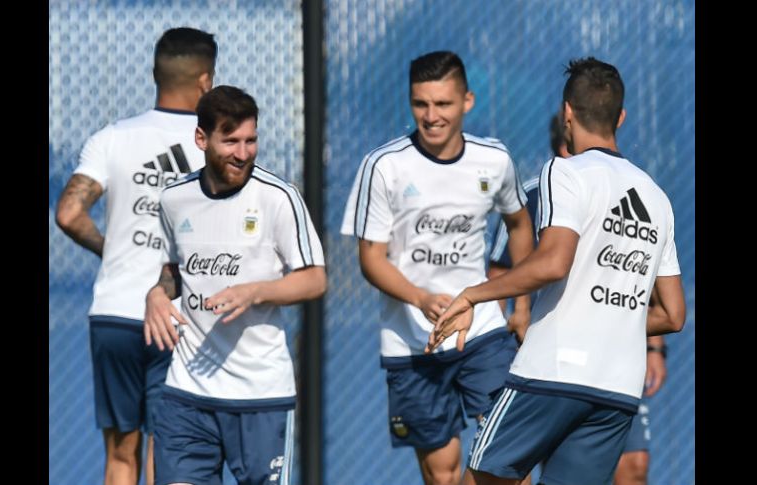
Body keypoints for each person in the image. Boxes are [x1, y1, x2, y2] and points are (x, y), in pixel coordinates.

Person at [427, 57, 686, 485]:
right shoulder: (656, 198)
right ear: (620, 117)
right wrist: (608, 323)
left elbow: (553, 261)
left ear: (567, 113)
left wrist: (472, 294)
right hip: (618, 385)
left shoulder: (565, 171)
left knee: (482, 479)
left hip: (552, 372)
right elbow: (674, 314)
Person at [340, 51, 534, 485]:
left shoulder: (494, 160)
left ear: (467, 101)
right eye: (420, 104)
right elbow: (370, 258)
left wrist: (520, 306)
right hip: (413, 343)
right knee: (442, 474)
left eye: (442, 104)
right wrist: (420, 298)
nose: (431, 116)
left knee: (510, 462)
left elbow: (520, 226)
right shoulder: (385, 166)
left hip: (481, 332)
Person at [55, 27, 218, 485]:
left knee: (120, 457)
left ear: (154, 73)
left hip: (114, 313)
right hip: (174, 317)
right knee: (164, 454)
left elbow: (68, 213)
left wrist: (113, 250)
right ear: (206, 81)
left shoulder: (112, 137)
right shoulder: (211, 144)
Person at [144, 85, 326, 485]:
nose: (242, 153)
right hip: (187, 391)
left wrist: (255, 291)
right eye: (230, 141)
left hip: (260, 395)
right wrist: (156, 294)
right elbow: (175, 271)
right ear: (201, 138)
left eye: (250, 140)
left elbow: (314, 279)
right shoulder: (175, 199)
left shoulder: (279, 198)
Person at [488, 113, 670, 485]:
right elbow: (503, 271)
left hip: (611, 359)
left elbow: (648, 285)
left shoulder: (640, 193)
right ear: (564, 144)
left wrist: (654, 349)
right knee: (512, 474)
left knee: (633, 467)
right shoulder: (541, 192)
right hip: (546, 361)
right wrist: (514, 316)